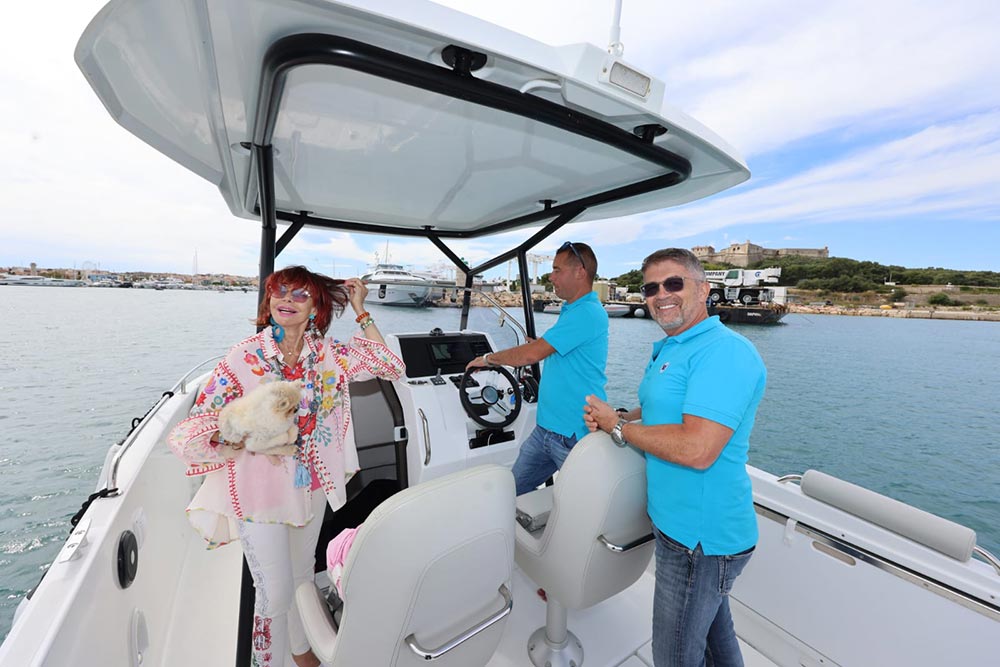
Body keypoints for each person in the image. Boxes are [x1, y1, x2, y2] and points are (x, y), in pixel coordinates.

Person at [168, 266, 403, 667]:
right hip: (258, 490)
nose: (286, 301)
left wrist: (361, 310)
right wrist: (234, 431)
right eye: (279, 292)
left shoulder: (329, 354)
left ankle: (299, 651)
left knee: (298, 576)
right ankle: (266, 661)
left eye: (299, 295)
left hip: (309, 485)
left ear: (317, 307)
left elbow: (389, 366)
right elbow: (197, 423)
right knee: (273, 592)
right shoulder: (246, 356)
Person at [583, 248, 766, 667]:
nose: (660, 294)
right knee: (717, 645)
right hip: (676, 528)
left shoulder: (725, 353)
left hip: (700, 540)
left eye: (673, 283)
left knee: (675, 656)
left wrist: (618, 427)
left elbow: (698, 449)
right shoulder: (674, 346)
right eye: (650, 287)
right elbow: (665, 407)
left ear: (703, 289)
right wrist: (625, 415)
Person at [467, 241, 608, 496]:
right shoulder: (572, 309)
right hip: (547, 429)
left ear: (580, 272)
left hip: (571, 435)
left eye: (557, 270)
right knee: (514, 492)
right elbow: (554, 350)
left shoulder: (586, 312)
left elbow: (531, 355)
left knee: (579, 506)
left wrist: (488, 359)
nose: (551, 276)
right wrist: (541, 346)